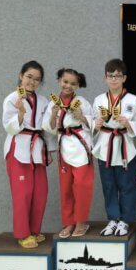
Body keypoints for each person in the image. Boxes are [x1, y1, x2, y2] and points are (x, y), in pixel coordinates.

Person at [2, 60, 56, 248]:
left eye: (37, 79)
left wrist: (49, 150)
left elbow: (47, 129)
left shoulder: (43, 101)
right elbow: (8, 126)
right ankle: (23, 234)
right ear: (21, 76)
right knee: (22, 194)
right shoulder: (12, 99)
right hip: (18, 149)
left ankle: (34, 230)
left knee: (41, 192)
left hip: (37, 149)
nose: (32, 82)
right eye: (29, 77)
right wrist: (20, 113)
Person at [92, 59, 136, 236]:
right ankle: (113, 219)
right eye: (110, 76)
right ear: (105, 78)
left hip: (124, 147)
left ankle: (125, 221)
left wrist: (128, 123)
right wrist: (95, 125)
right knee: (108, 185)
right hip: (105, 145)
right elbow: (91, 124)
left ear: (124, 78)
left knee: (127, 185)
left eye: (118, 76)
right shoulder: (99, 100)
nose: (114, 79)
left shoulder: (133, 100)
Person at [42, 68, 95, 239]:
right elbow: (49, 128)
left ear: (78, 85)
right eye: (65, 82)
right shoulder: (53, 103)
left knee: (81, 187)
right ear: (59, 81)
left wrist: (81, 117)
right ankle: (68, 223)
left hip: (81, 147)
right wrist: (53, 114)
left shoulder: (82, 101)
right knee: (65, 188)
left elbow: (95, 124)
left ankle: (80, 222)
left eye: (73, 83)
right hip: (64, 148)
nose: (68, 86)